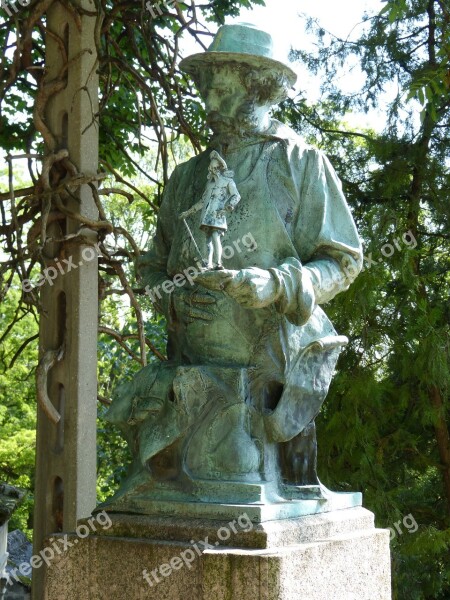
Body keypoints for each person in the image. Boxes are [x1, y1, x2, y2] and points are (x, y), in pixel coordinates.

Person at [105, 23, 363, 508]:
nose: (209, 105)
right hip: (190, 376)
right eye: (206, 92)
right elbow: (151, 268)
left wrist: (278, 285)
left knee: (237, 483)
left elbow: (342, 262)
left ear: (261, 88)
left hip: (271, 379)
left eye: (222, 92)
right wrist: (174, 293)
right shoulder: (186, 177)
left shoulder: (301, 164)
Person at [179, 150, 240, 269]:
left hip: (217, 215)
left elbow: (236, 195)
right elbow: (202, 202)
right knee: (208, 241)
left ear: (219, 168)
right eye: (211, 168)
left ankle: (218, 263)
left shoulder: (228, 182)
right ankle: (209, 264)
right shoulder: (209, 184)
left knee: (215, 236)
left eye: (214, 168)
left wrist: (229, 207)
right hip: (207, 216)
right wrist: (188, 212)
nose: (212, 170)